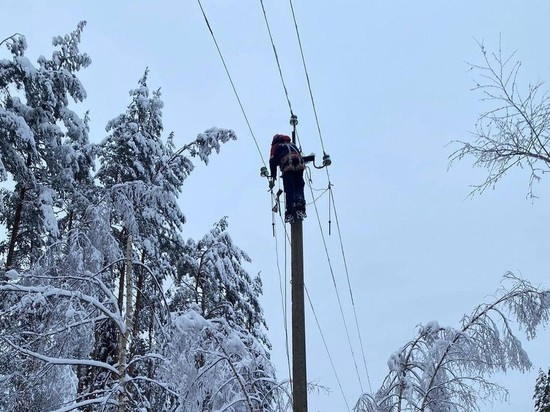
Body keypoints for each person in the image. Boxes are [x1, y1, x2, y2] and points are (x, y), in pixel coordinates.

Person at [269, 134, 306, 223]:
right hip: (299, 163)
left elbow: (272, 161)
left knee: (289, 187)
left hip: (287, 164)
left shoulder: (275, 146)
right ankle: (300, 205)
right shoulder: (292, 145)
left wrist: (273, 176)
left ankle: (290, 211)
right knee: (299, 184)